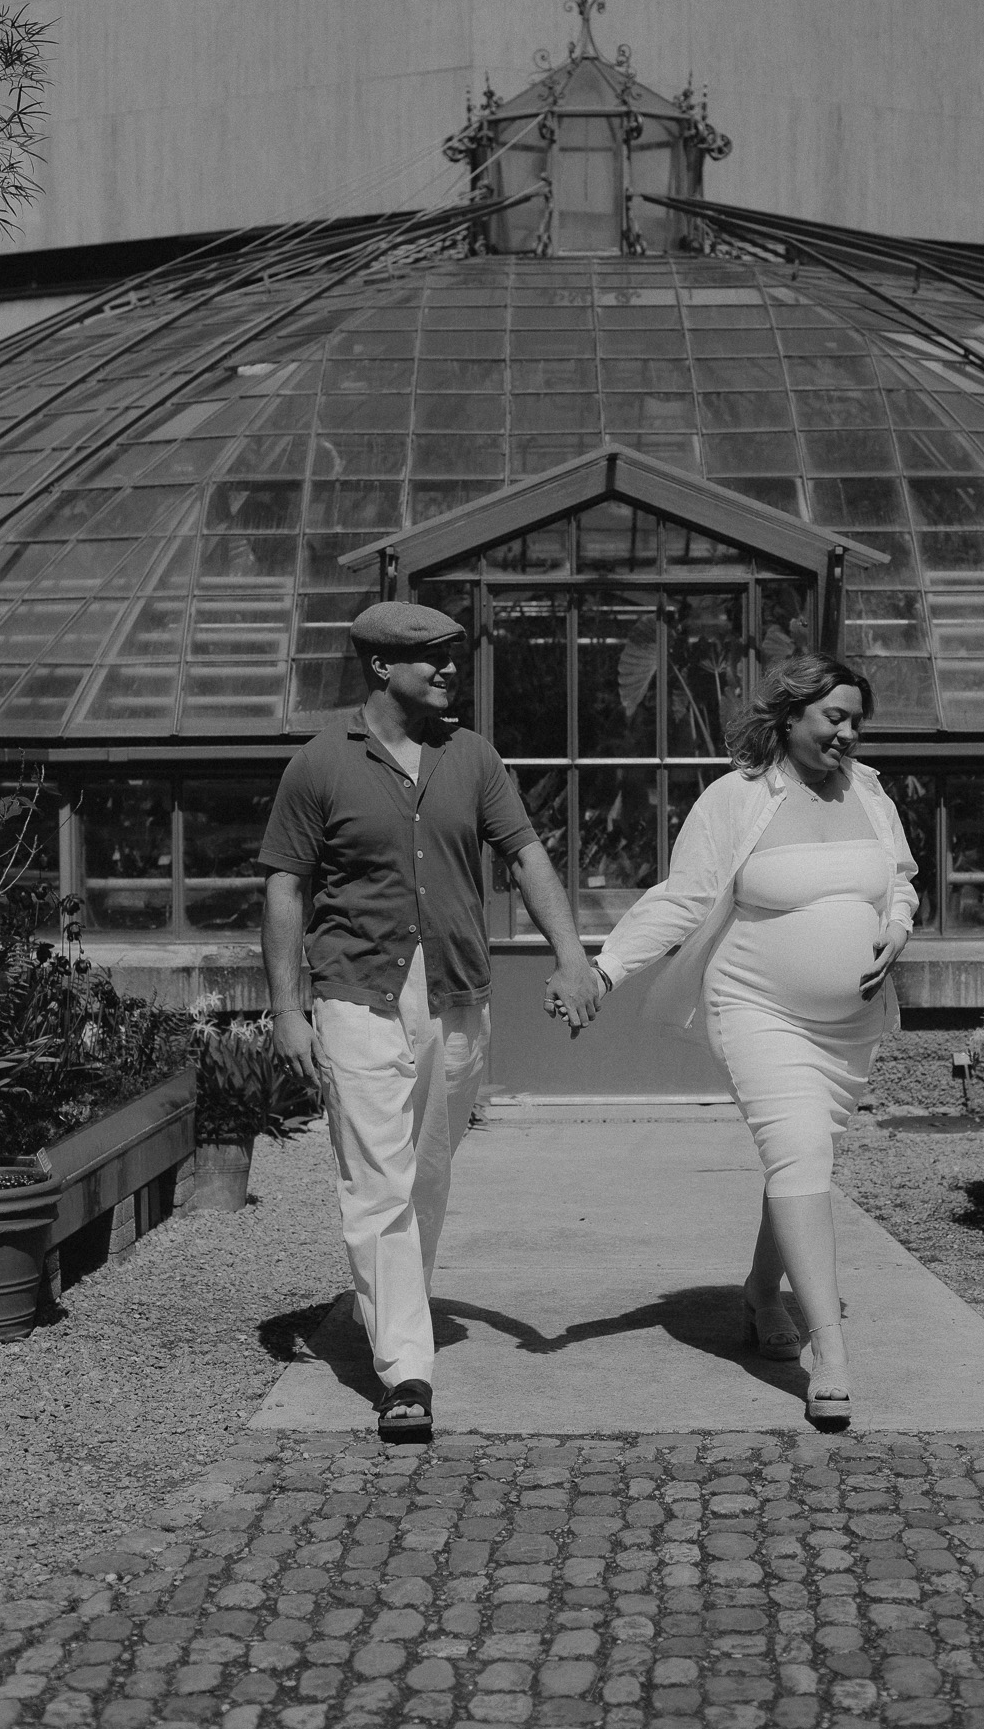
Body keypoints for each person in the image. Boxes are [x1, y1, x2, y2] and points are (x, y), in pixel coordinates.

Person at [259, 600, 599, 1444]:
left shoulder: (472, 757)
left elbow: (524, 855)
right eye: (435, 660)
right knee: (377, 1181)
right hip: (355, 992)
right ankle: (405, 1370)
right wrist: (286, 1009)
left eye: (452, 658)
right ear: (381, 668)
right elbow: (285, 889)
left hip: (453, 993)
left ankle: (395, 1306)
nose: (451, 672)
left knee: (429, 1173)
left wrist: (572, 956)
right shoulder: (318, 765)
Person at [588, 652, 918, 1426]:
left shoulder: (868, 792)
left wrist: (897, 928)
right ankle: (827, 1354)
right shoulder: (736, 798)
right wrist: (604, 970)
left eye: (856, 721)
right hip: (757, 1008)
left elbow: (899, 877)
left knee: (798, 1156)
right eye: (834, 718)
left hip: (850, 1025)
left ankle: (758, 1291)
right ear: (789, 717)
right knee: (800, 1151)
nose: (847, 735)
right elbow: (685, 897)